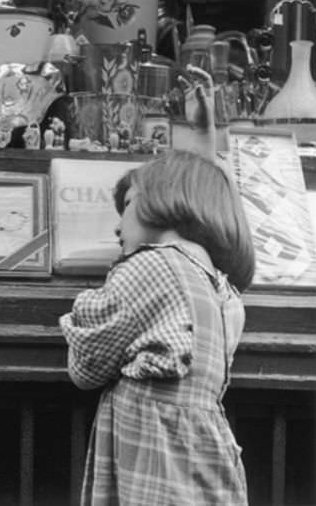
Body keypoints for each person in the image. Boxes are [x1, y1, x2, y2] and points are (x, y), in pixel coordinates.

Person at [60, 149, 255, 505]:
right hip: (204, 456)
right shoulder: (224, 291)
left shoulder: (151, 267)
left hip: (153, 462)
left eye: (130, 204)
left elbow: (85, 370)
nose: (118, 226)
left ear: (169, 199)